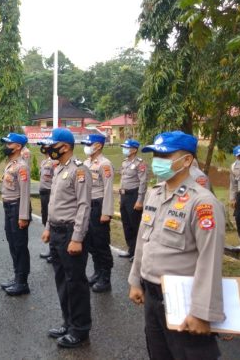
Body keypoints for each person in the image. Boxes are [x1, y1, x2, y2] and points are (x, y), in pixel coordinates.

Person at [128, 131, 225, 360]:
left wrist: (202, 312)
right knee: (159, 354)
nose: (158, 161)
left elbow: (209, 260)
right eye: (155, 155)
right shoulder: (154, 194)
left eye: (166, 155)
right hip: (152, 298)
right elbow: (144, 241)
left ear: (187, 160)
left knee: (190, 354)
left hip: (183, 302)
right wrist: (135, 281)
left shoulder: (202, 203)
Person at [41, 128, 92, 349]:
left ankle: (80, 329)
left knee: (75, 282)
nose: (49, 149)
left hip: (71, 232)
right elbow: (54, 203)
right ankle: (68, 322)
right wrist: (47, 227)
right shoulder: (58, 168)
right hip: (57, 231)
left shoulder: (79, 170)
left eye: (53, 145)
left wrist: (77, 238)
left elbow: (83, 206)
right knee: (61, 279)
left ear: (66, 147)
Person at [0, 133, 31, 296]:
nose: (6, 146)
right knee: (12, 243)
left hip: (17, 207)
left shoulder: (22, 166)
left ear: (18, 146)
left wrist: (23, 216)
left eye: (9, 143)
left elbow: (25, 193)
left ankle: (22, 282)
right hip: (8, 206)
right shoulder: (11, 163)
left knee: (19, 245)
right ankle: (17, 276)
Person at [82, 133, 114, 293]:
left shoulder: (105, 164)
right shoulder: (86, 162)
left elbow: (108, 190)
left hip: (99, 205)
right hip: (87, 205)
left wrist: (106, 212)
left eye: (90, 143)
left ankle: (105, 278)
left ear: (99, 146)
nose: (87, 146)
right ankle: (97, 272)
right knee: (91, 242)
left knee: (101, 243)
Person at [118, 139, 148, 262]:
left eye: (126, 147)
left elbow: (143, 182)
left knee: (135, 225)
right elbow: (122, 180)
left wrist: (140, 200)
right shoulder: (125, 162)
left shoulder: (140, 163)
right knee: (126, 224)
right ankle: (131, 249)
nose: (124, 149)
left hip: (134, 196)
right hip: (124, 196)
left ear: (134, 150)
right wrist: (121, 197)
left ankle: (138, 253)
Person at [37, 139, 56, 262]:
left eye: (45, 145)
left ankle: (54, 252)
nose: (43, 147)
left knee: (52, 222)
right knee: (46, 221)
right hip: (43, 194)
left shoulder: (55, 162)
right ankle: (51, 248)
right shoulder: (44, 162)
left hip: (51, 194)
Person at [230, 145, 240, 243]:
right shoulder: (234, 167)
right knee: (238, 218)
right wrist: (232, 199)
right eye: (239, 156)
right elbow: (233, 184)